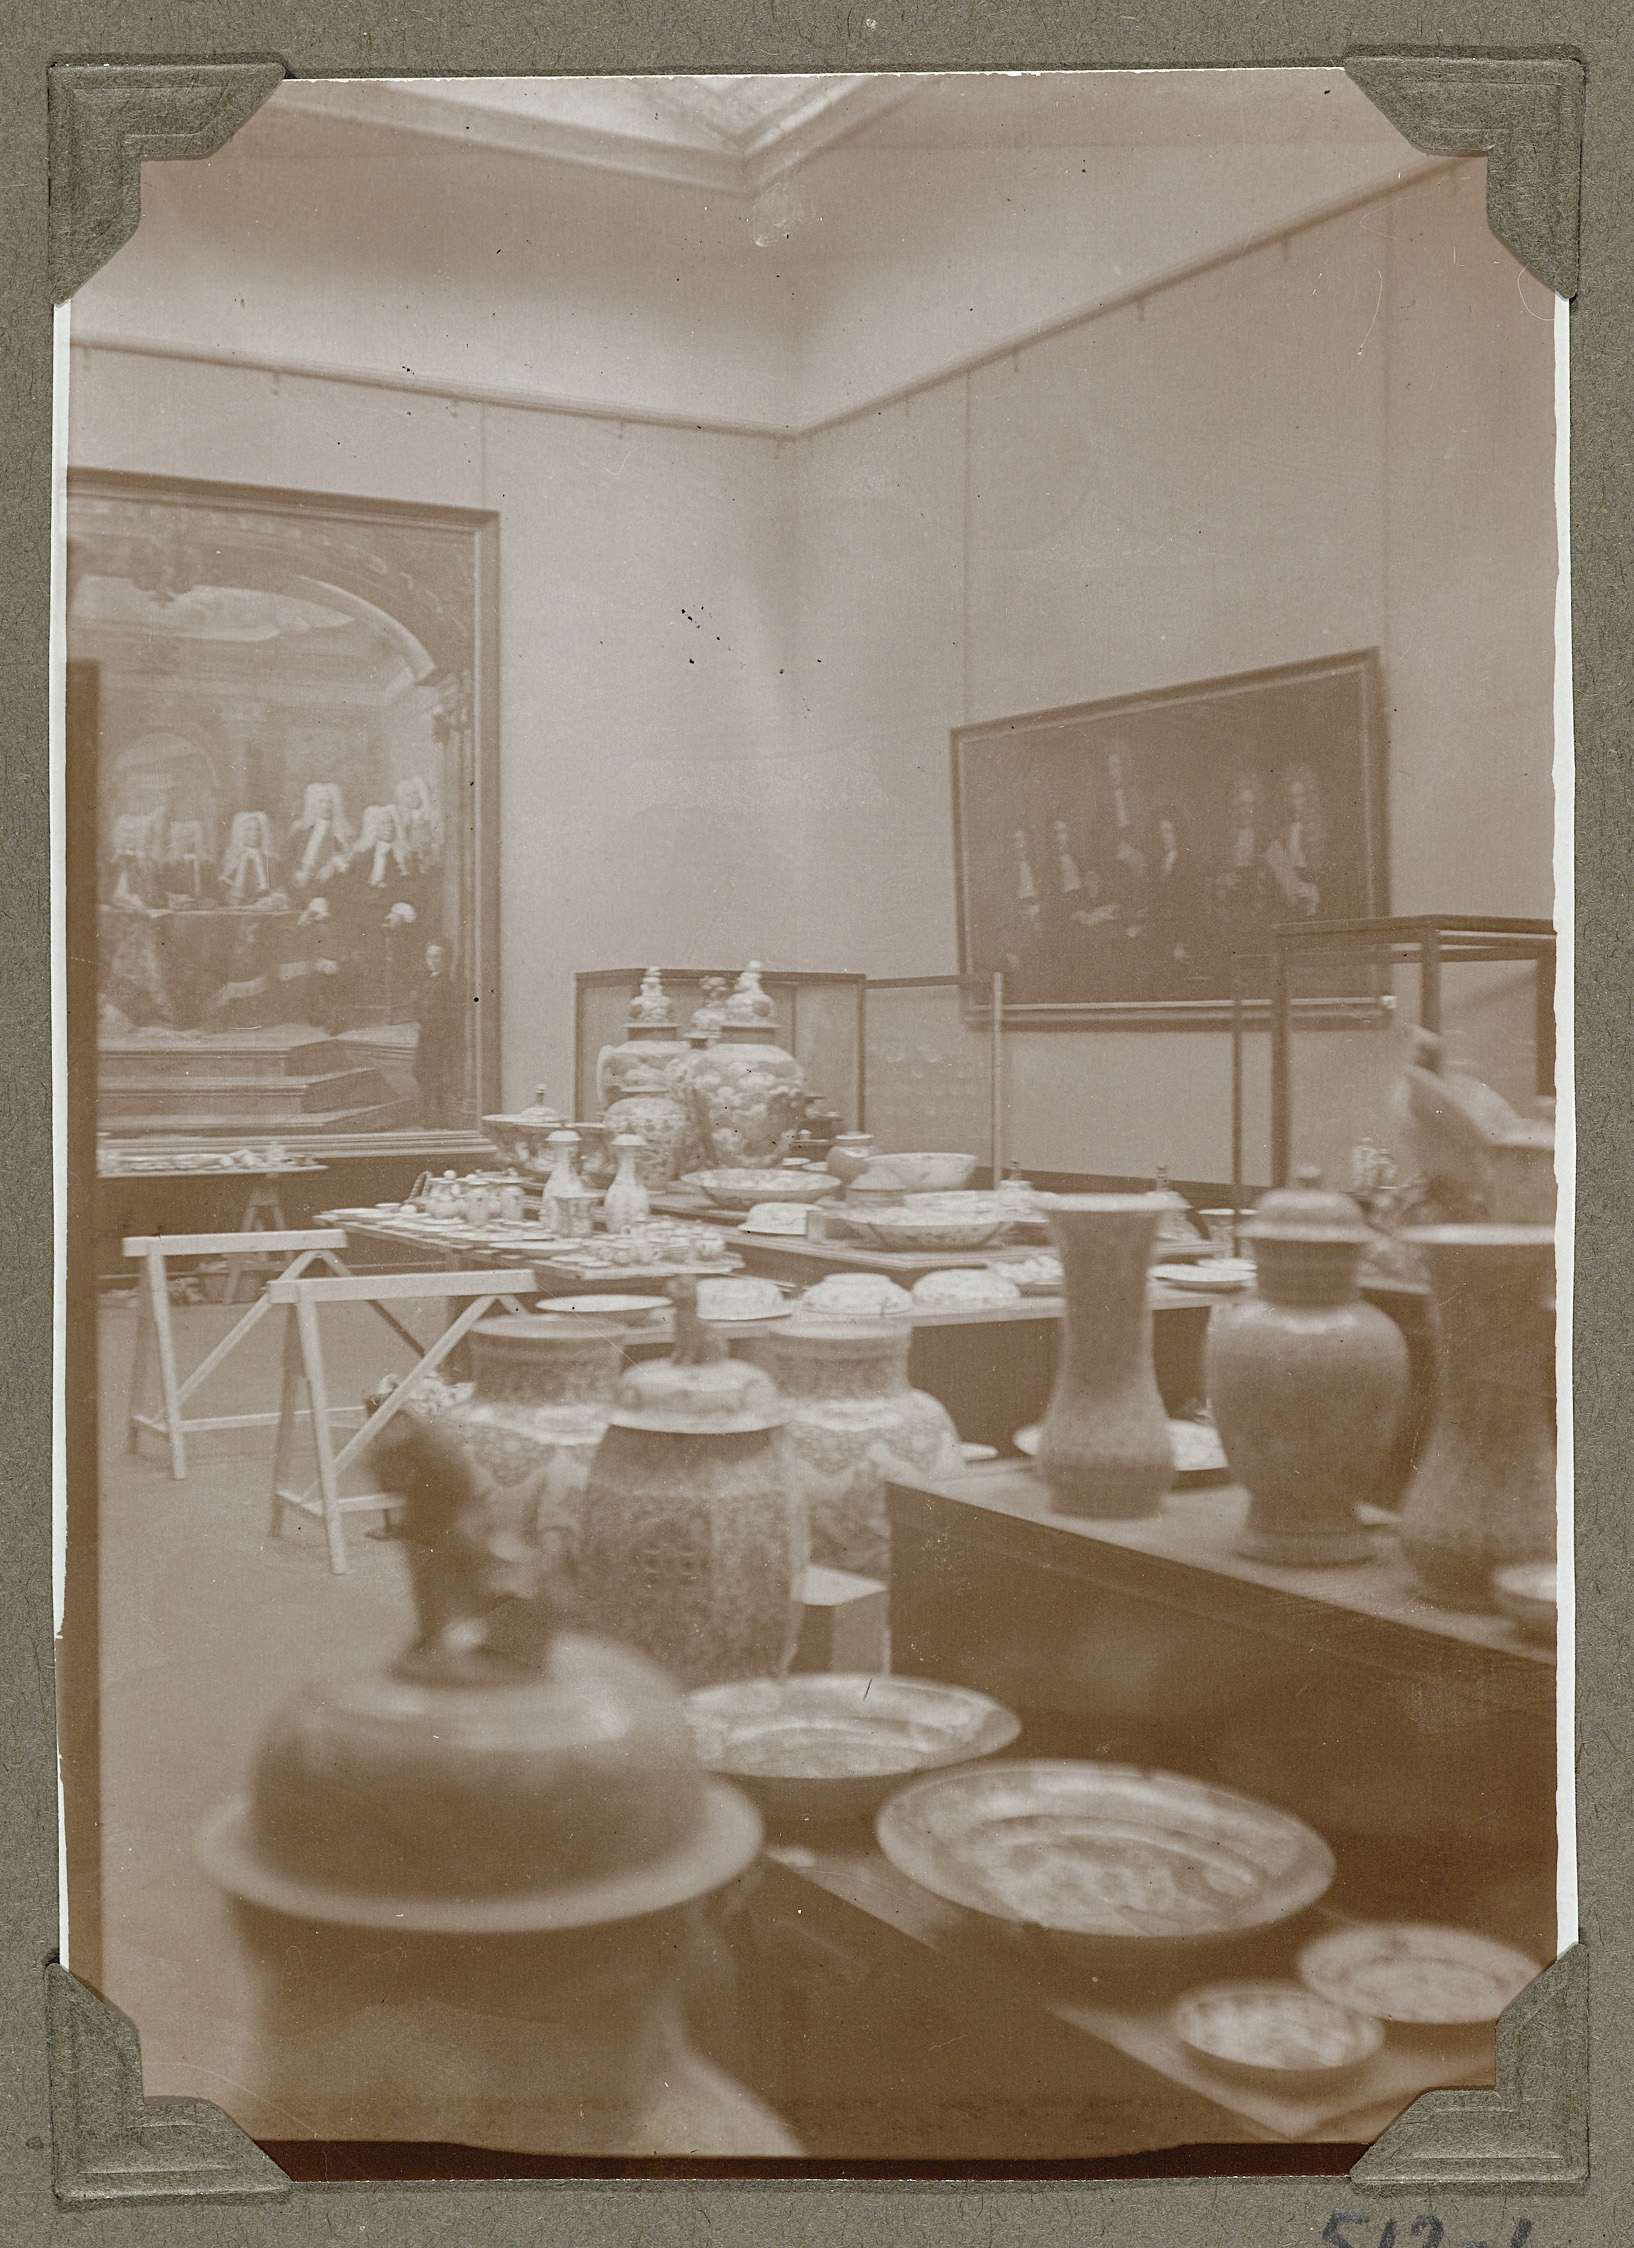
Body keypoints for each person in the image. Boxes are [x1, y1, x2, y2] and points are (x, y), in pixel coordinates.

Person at [1264, 764, 1324, 919]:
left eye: (1299, 796)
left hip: (1312, 896)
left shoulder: (1317, 831)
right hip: (1287, 896)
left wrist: (1312, 889)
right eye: (1291, 797)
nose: (1294, 802)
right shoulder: (1282, 831)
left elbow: (1324, 876)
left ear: (1308, 798)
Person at [414, 940, 462, 1126]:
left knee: (436, 1075)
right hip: (426, 1035)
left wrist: (433, 1025)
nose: (432, 961)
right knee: (421, 1072)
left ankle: (438, 1117)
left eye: (437, 957)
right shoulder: (427, 980)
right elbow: (419, 1006)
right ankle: (426, 1115)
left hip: (439, 1037)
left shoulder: (446, 984)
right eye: (429, 956)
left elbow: (447, 1014)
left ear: (445, 959)